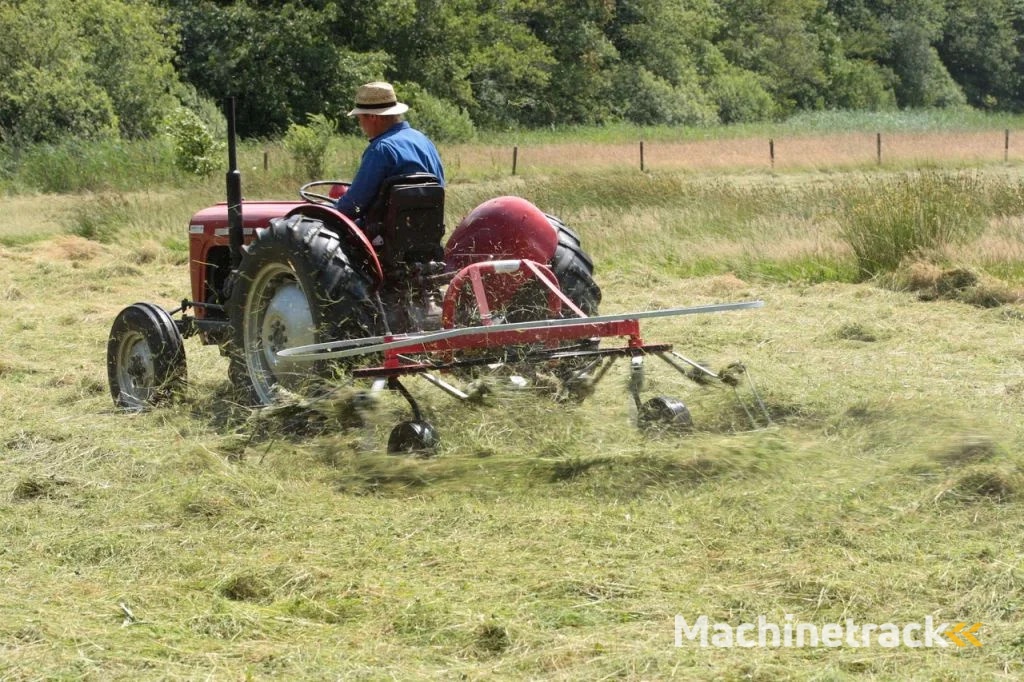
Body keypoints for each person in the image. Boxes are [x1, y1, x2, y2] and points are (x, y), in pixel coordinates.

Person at [335, 81, 445, 221]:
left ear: (373, 117)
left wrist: (330, 207)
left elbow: (353, 206)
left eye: (360, 118)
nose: (360, 124)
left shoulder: (380, 149)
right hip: (427, 229)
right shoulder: (425, 142)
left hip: (382, 232)